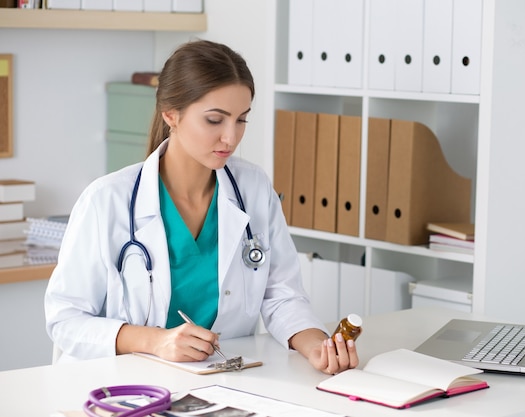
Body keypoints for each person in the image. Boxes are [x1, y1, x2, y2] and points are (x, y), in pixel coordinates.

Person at [44, 39, 359, 375]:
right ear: (171, 114)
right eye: (214, 120)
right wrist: (155, 341)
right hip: (122, 384)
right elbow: (65, 319)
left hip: (220, 382)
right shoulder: (106, 200)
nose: (231, 137)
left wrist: (314, 345)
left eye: (241, 120)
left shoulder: (253, 188)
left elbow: (281, 295)